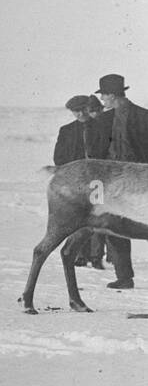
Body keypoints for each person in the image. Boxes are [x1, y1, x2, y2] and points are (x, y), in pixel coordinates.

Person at [93, 73, 148, 288]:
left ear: (110, 95)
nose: (102, 101)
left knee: (114, 226)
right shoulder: (144, 115)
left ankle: (124, 277)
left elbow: (96, 154)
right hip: (143, 181)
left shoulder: (104, 120)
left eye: (104, 96)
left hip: (114, 183)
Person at [53, 94, 110, 267]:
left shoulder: (104, 129)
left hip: (98, 181)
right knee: (77, 218)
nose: (79, 114)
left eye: (82, 109)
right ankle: (80, 254)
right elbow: (58, 157)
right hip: (76, 182)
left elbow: (109, 154)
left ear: (88, 108)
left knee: (98, 218)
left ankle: (96, 256)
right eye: (75, 111)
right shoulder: (66, 130)